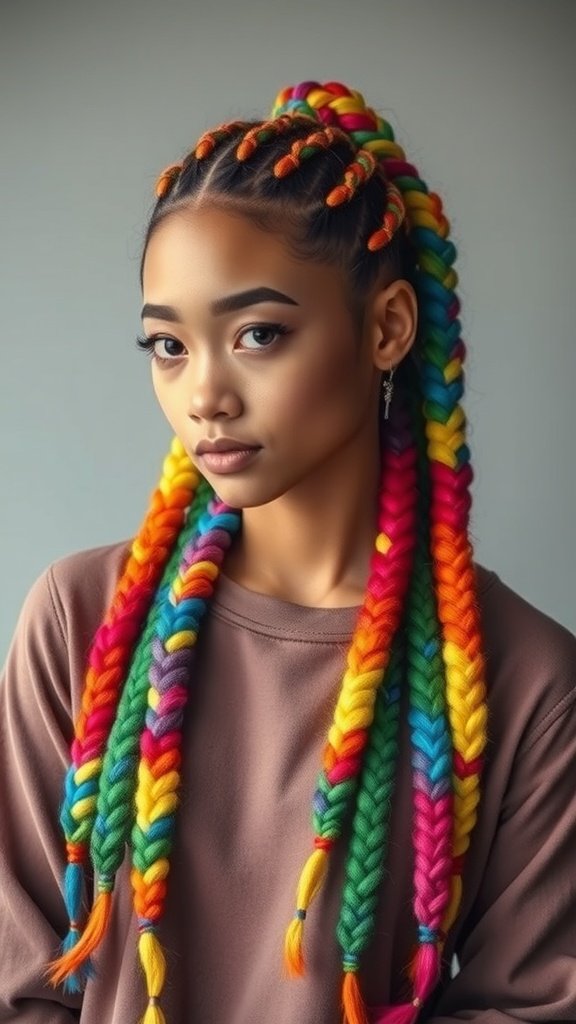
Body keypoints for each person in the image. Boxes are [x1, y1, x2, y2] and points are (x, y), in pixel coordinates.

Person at [0, 79, 575, 1024]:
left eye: (258, 334)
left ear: (386, 328)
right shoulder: (80, 619)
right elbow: (22, 975)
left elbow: (533, 1006)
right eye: (168, 346)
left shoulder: (525, 680)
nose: (205, 396)